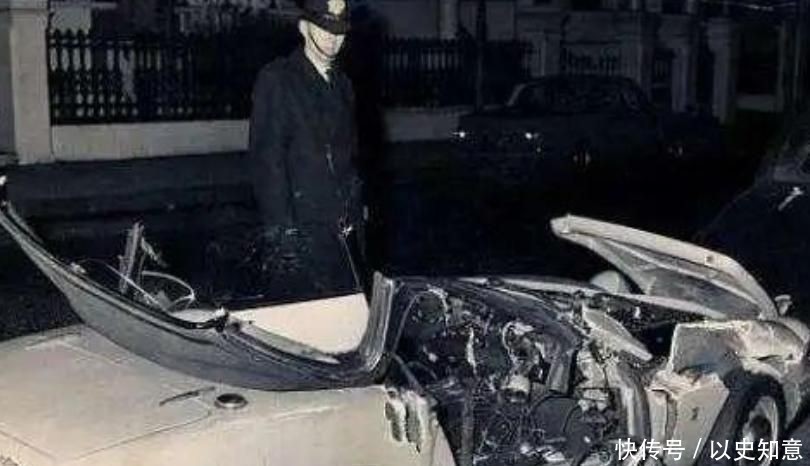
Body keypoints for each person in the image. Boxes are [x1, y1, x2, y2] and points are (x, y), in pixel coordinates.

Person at [247, 0, 365, 300]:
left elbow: (348, 156)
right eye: (324, 28)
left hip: (344, 231)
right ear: (304, 27)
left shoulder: (343, 84)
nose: (333, 38)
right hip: (302, 231)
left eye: (340, 31)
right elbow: (268, 162)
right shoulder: (278, 79)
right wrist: (282, 234)